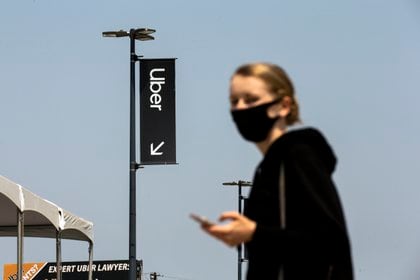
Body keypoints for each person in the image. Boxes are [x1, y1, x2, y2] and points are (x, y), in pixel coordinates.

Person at [201, 62, 353, 280]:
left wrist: (254, 233)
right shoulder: (269, 165)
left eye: (251, 99)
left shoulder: (297, 155)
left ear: (283, 105)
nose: (241, 108)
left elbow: (329, 242)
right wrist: (242, 236)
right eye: (234, 101)